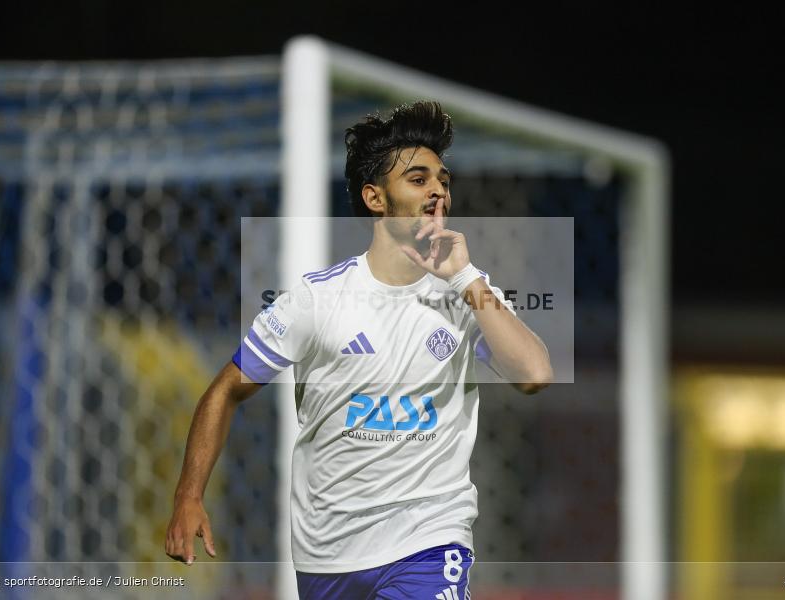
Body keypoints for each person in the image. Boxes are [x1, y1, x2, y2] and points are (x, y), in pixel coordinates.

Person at [165, 100, 553, 599]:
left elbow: (534, 374)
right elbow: (225, 391)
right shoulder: (316, 300)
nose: (438, 190)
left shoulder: (467, 294)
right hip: (328, 554)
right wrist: (188, 495)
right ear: (374, 197)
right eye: (418, 179)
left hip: (430, 541)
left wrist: (464, 278)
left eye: (443, 180)